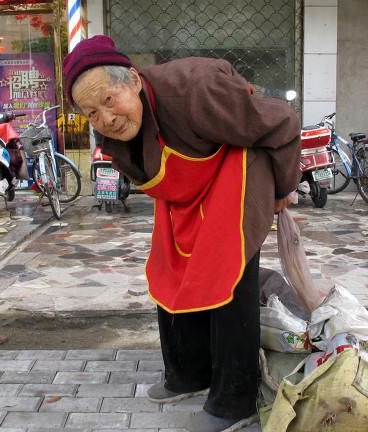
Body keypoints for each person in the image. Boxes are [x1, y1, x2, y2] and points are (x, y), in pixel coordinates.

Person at [63, 35, 301, 432]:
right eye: (91, 113)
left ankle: (233, 400)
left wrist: (280, 191)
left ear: (135, 82)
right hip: (184, 190)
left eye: (109, 100)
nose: (105, 119)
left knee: (226, 273)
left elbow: (282, 122)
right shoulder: (112, 130)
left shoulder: (197, 88)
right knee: (169, 270)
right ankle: (189, 374)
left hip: (236, 169)